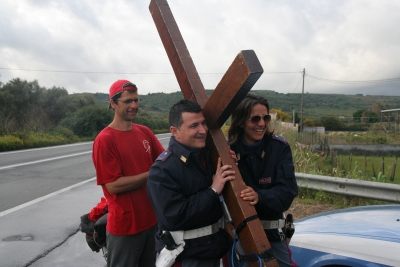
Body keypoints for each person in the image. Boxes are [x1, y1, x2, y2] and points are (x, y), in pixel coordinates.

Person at [147, 99, 235, 267]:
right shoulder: (162, 171)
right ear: (175, 131)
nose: (202, 130)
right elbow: (174, 216)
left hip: (213, 249)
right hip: (186, 256)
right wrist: (213, 190)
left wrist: (229, 162)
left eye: (203, 123)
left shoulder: (207, 158)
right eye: (194, 126)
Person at [92, 79, 165, 267]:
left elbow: (166, 161)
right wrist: (151, 174)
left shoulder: (144, 132)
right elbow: (113, 185)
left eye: (136, 100)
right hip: (126, 227)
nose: (134, 105)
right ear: (113, 104)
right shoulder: (105, 140)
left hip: (151, 222)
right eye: (128, 101)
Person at [227, 93, 298, 267]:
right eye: (255, 119)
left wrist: (259, 196)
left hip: (273, 233)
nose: (261, 124)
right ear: (241, 121)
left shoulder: (279, 148)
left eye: (265, 117)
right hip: (240, 235)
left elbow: (288, 192)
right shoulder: (228, 151)